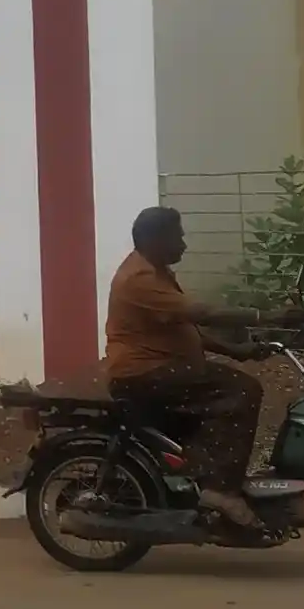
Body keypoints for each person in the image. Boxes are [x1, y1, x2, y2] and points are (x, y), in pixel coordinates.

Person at [105, 207, 275, 529]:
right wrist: (266, 316)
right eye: (177, 236)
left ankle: (203, 476)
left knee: (219, 396)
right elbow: (201, 313)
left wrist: (237, 351)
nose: (184, 244)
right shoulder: (140, 280)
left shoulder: (156, 272)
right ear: (155, 239)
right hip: (144, 375)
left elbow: (185, 329)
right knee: (243, 390)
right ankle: (222, 490)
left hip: (159, 371)